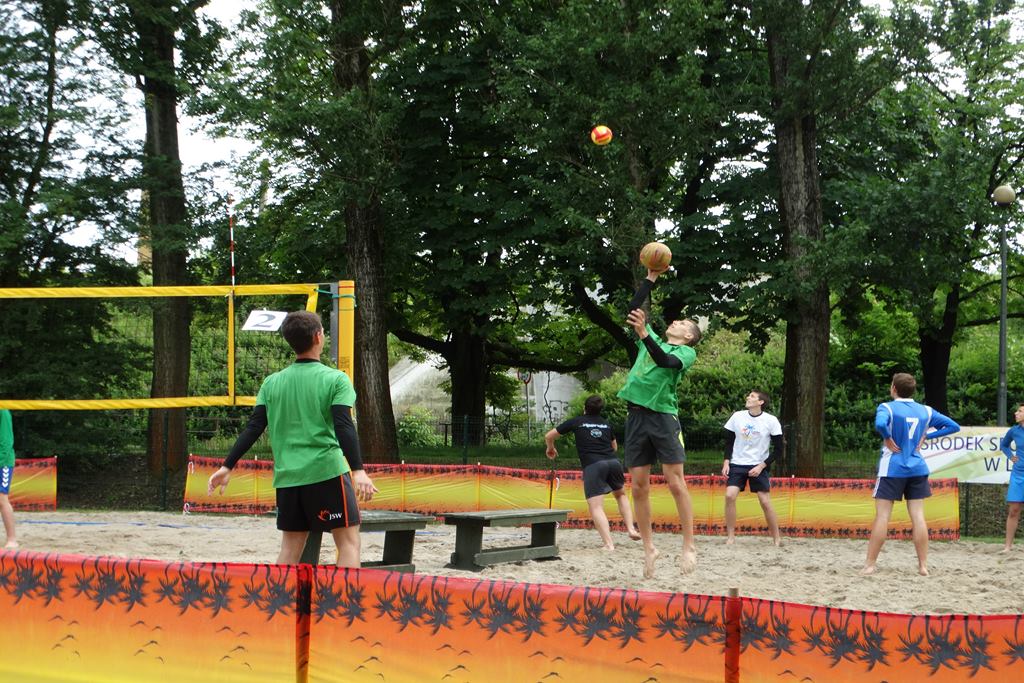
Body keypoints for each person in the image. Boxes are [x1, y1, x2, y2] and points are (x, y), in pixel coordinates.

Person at [208, 311, 377, 567]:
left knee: (290, 549)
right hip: (326, 473)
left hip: (288, 477)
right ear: (318, 336)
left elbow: (254, 427)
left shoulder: (271, 383)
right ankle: (345, 605)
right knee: (348, 544)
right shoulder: (336, 379)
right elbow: (344, 425)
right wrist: (358, 470)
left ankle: (281, 604)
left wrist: (227, 466)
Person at [618, 267, 702, 578]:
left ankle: (689, 544)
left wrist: (644, 334)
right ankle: (649, 548)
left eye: (682, 323)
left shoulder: (685, 353)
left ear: (689, 336)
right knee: (638, 487)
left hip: (664, 418)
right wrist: (651, 277)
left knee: (675, 482)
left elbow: (664, 362)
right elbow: (634, 309)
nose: (675, 323)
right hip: (636, 417)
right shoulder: (649, 339)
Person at [861, 372, 960, 576]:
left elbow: (880, 424)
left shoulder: (887, 407)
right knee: (918, 517)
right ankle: (923, 566)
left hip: (893, 468)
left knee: (882, 516)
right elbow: (953, 426)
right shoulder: (925, 410)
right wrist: (929, 435)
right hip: (917, 467)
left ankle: (870, 564)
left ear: (894, 389)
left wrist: (887, 437)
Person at [544, 395, 641, 550]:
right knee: (621, 495)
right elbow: (614, 447)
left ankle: (609, 544)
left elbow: (549, 436)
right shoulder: (606, 424)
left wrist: (550, 448)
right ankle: (631, 529)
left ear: (584, 408)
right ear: (600, 409)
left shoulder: (577, 421)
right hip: (613, 462)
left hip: (594, 465)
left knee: (596, 507)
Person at [722, 391, 783, 546]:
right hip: (737, 463)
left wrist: (762, 466)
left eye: (752, 397)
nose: (748, 398)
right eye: (748, 396)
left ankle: (776, 538)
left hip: (759, 465)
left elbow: (779, 450)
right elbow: (729, 441)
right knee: (729, 496)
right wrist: (726, 461)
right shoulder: (737, 416)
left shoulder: (771, 420)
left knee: (764, 501)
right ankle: (730, 537)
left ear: (761, 402)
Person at [998, 402, 1024, 552]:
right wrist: (1011, 457)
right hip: (1018, 474)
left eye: (1020, 411)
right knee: (1014, 510)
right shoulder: (1014, 431)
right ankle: (1008, 546)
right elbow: (1004, 445)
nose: (1016, 413)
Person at [0, 409, 17, 550]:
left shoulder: (3, 410)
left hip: (2, 462)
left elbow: (6, 441)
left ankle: (12, 539)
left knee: (1, 499)